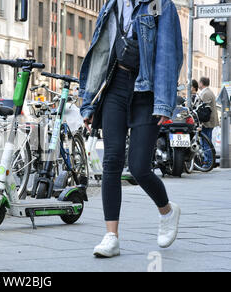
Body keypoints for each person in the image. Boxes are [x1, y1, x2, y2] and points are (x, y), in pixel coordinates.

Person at [78, 0, 183, 258]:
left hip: (145, 92)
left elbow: (169, 55)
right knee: (111, 161)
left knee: (139, 168)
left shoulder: (161, 6)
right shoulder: (111, 5)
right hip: (115, 86)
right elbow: (101, 52)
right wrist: (89, 101)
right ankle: (111, 236)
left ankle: (167, 210)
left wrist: (163, 102)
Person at [198, 77, 219, 167]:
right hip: (209, 121)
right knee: (207, 141)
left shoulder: (206, 93)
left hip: (207, 122)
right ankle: (209, 161)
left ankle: (208, 162)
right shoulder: (207, 92)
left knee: (206, 142)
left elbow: (204, 109)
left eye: (199, 82)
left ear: (202, 83)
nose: (198, 84)